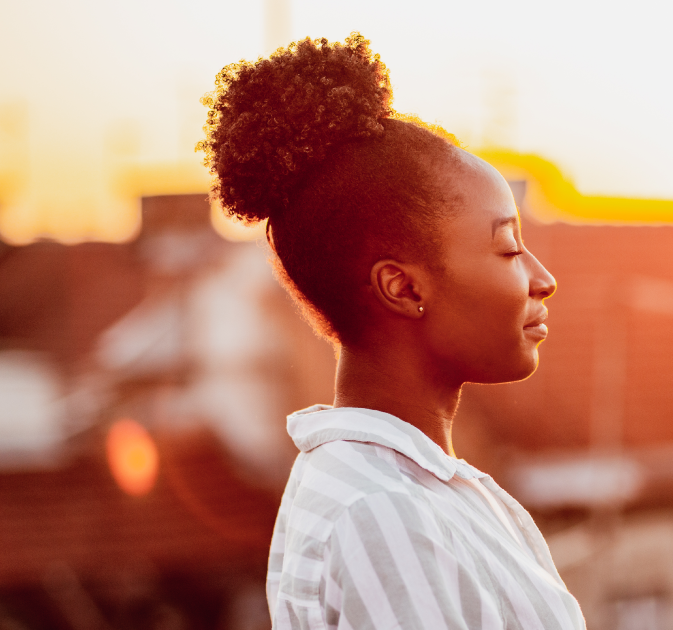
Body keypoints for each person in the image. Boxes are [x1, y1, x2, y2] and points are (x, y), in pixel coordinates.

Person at [198, 34, 584, 630]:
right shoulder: (381, 511)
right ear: (402, 288)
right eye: (509, 248)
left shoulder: (416, 491)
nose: (544, 279)